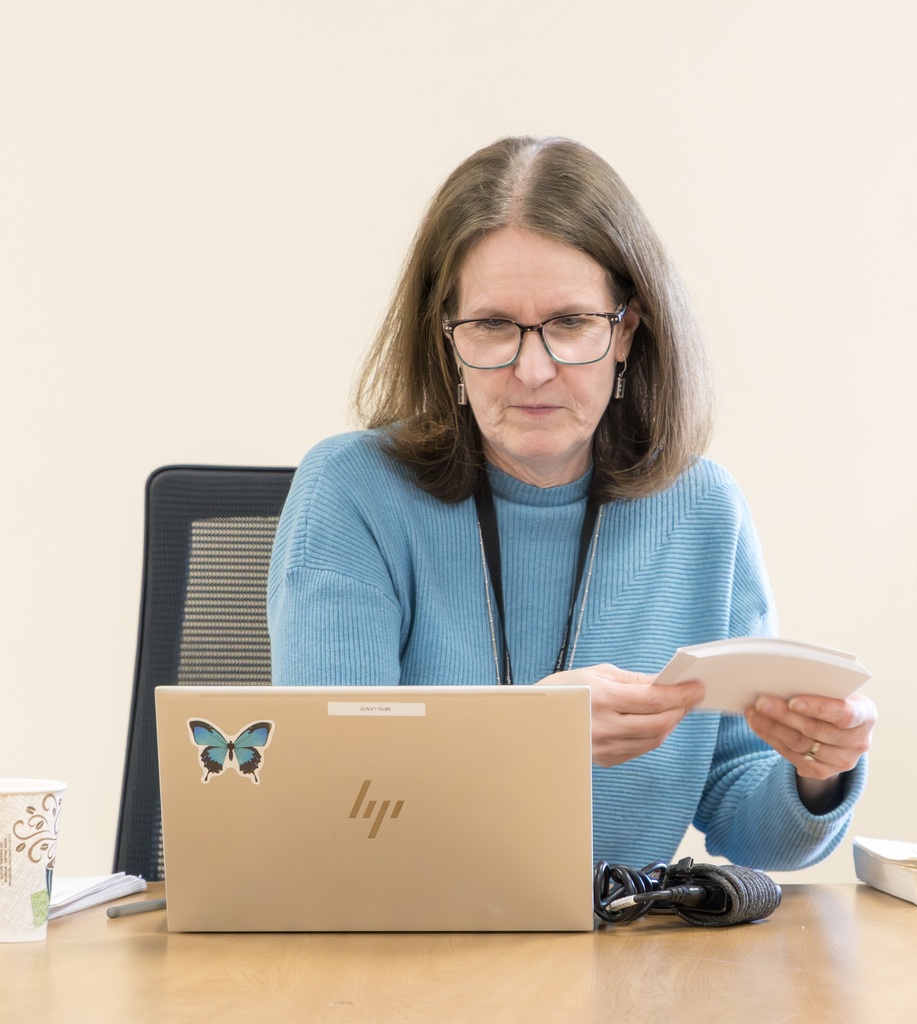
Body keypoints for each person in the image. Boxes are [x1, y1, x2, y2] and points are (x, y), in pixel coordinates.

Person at [268, 135, 875, 871]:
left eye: (571, 324)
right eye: (493, 326)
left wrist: (818, 769)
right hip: (403, 955)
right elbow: (333, 796)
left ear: (626, 332)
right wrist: (533, 731)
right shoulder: (351, 492)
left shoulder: (703, 509)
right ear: (445, 337)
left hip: (623, 960)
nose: (532, 369)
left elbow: (745, 820)